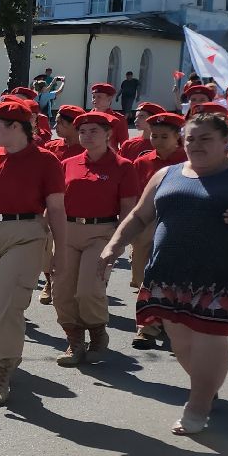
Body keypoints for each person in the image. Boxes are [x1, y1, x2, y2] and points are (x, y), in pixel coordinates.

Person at [103, 112, 228, 434]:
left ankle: (198, 405)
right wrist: (114, 246)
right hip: (167, 272)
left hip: (220, 275)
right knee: (181, 340)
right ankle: (206, 384)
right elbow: (139, 216)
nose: (196, 144)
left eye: (206, 139)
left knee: (208, 336)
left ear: (225, 141)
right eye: (190, 138)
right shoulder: (167, 174)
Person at [0, 98, 67, 407]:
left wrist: (60, 251)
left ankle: (0, 370)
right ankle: (2, 346)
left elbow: (56, 209)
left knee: (8, 302)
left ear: (16, 127)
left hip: (26, 233)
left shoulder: (46, 160)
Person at [52, 111, 138, 366]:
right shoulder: (69, 163)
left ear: (108, 134)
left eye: (94, 131)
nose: (87, 136)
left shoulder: (123, 166)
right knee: (62, 291)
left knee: (89, 290)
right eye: (82, 131)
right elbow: (56, 202)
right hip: (68, 231)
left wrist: (118, 242)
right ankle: (75, 341)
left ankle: (98, 334)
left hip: (101, 233)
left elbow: (128, 208)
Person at [128, 109, 187, 346]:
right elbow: (133, 195)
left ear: (177, 136)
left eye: (164, 136)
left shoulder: (189, 161)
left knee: (169, 275)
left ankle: (149, 326)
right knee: (143, 274)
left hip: (179, 223)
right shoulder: (142, 162)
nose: (158, 141)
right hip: (147, 221)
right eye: (154, 136)